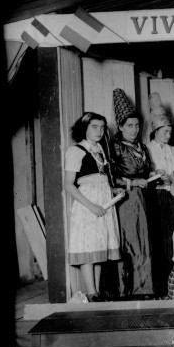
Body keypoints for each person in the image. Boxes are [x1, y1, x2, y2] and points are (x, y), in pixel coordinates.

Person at [64, 112, 122, 303]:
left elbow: (101, 179)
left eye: (102, 127)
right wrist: (91, 206)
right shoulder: (76, 151)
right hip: (87, 204)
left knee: (99, 248)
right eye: (94, 127)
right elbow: (69, 185)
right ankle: (91, 292)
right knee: (88, 248)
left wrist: (114, 191)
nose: (99, 131)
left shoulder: (100, 149)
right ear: (85, 128)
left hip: (104, 201)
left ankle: (95, 292)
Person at [106, 89, 156, 298]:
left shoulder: (141, 146)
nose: (134, 129)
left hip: (143, 199)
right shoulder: (115, 147)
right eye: (129, 126)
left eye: (137, 125)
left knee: (145, 241)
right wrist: (133, 181)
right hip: (126, 200)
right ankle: (127, 289)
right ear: (120, 127)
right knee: (130, 242)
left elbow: (144, 172)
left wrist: (154, 174)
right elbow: (110, 178)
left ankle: (144, 288)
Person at [147, 93, 174, 296]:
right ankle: (160, 284)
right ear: (156, 131)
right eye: (165, 131)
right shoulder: (148, 149)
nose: (169, 134)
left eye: (170, 131)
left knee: (173, 238)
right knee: (160, 239)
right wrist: (156, 175)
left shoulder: (173, 150)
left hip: (173, 196)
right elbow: (146, 173)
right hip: (157, 197)